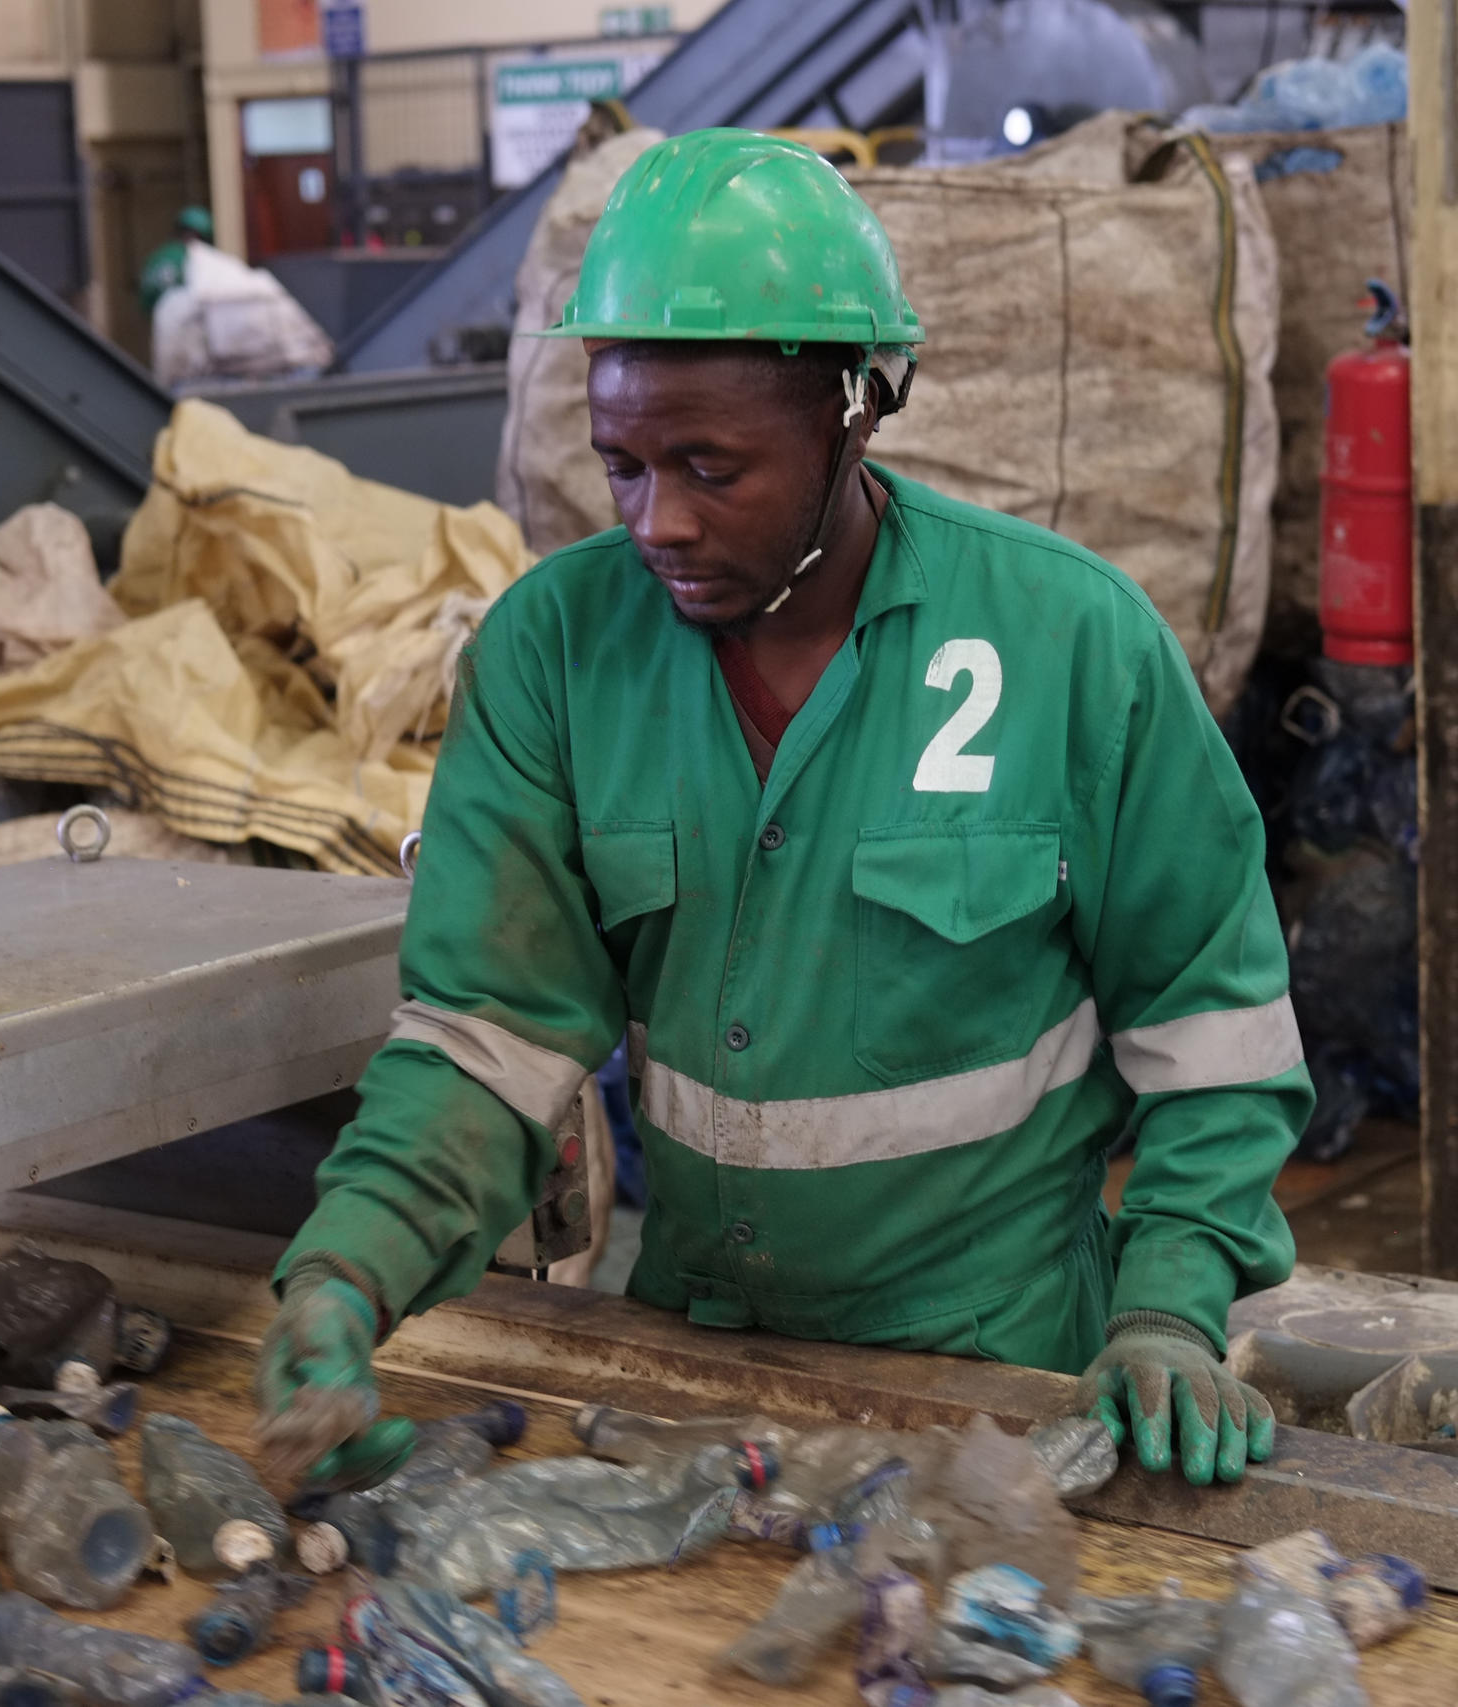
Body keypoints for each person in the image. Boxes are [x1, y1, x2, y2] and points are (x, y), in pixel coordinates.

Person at [253, 129, 1309, 1492]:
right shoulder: (553, 654)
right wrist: (347, 1271)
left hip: (1000, 1384)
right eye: (622, 462)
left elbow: (1211, 1028)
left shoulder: (1069, 646)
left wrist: (1169, 1306)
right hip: (698, 1367)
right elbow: (485, 1040)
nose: (655, 521)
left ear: (852, 412)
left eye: (710, 465)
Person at [138, 206, 214, 316]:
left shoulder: (156, 256)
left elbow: (145, 302)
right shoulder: (196, 257)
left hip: (160, 322)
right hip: (191, 324)